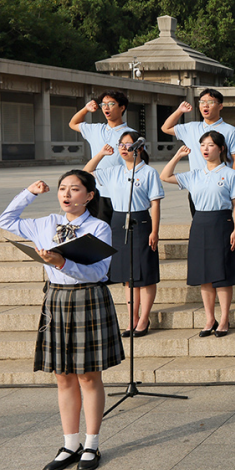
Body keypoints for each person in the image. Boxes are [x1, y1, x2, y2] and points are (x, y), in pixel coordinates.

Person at [0, 170, 122, 470]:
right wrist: (30, 192)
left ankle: (91, 443)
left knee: (89, 376)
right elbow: (5, 221)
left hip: (88, 298)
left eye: (75, 189)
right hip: (56, 299)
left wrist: (63, 262)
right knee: (63, 376)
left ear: (89, 196)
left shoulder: (98, 228)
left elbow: (98, 273)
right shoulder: (45, 223)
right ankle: (70, 444)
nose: (67, 194)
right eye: (63, 189)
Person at [160, 132, 235, 336]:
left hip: (222, 223)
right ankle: (209, 319)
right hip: (199, 224)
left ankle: (224, 319)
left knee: (222, 275)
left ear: (221, 148)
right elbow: (165, 176)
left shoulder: (230, 174)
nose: (206, 149)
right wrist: (178, 156)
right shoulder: (195, 174)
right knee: (204, 275)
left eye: (211, 145)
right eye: (203, 145)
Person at [83, 132, 164, 337]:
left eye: (128, 144)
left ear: (139, 148)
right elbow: (86, 172)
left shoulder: (149, 172)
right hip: (118, 222)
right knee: (127, 276)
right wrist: (101, 153)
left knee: (145, 274)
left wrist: (154, 231)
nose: (122, 147)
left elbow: (155, 204)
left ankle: (144, 319)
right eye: (120, 144)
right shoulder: (114, 171)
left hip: (141, 220)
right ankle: (132, 319)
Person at [161, 90, 235, 216]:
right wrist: (179, 111)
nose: (205, 105)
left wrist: (233, 184)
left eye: (210, 102)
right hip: (196, 185)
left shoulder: (230, 131)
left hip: (220, 186)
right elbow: (165, 128)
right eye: (202, 102)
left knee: (221, 222)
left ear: (220, 106)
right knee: (198, 221)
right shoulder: (191, 128)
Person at [69, 92, 133, 224]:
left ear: (122, 108)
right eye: (103, 104)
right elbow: (73, 123)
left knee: (118, 232)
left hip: (120, 191)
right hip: (98, 191)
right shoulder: (96, 129)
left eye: (111, 104)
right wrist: (86, 109)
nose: (106, 107)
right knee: (98, 230)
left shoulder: (131, 134)